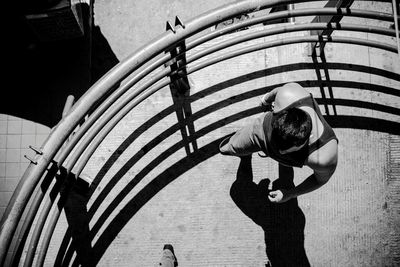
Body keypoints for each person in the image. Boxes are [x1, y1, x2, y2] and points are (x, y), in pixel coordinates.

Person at [219, 82, 338, 203]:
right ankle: (241, 152)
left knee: (281, 163)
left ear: (305, 141)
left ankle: (246, 154)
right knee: (230, 148)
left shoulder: (324, 157)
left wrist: (290, 194)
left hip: (289, 159)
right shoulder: (289, 94)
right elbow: (277, 92)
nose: (280, 151)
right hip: (261, 132)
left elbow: (319, 180)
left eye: (285, 149)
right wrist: (265, 100)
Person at [230, 155, 310, 266]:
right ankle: (281, 151)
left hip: (285, 223)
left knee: (285, 184)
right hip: (280, 223)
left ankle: (281, 151)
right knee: (238, 191)